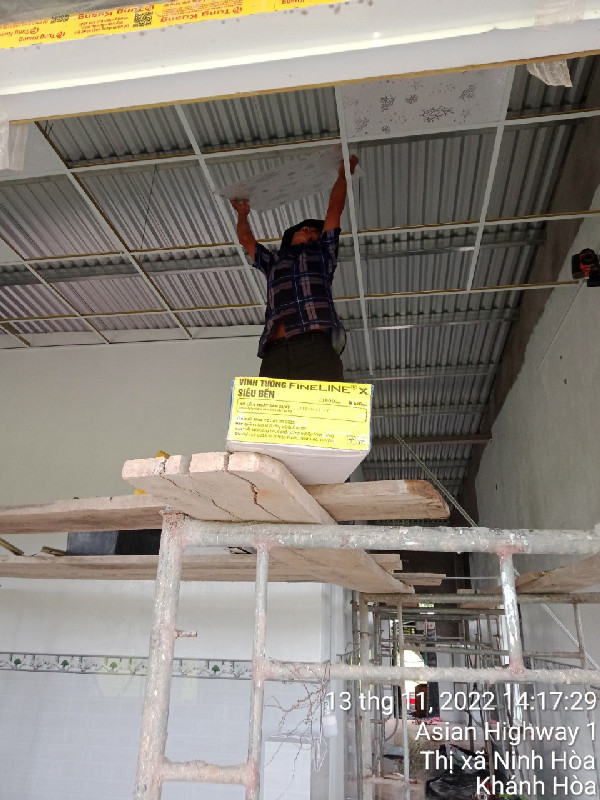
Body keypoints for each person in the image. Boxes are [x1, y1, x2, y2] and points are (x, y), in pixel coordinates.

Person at [230, 155, 359, 381]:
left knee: (323, 403)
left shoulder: (323, 253)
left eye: (314, 231)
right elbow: (245, 239)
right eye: (304, 228)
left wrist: (344, 173)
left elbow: (334, 209)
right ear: (290, 238)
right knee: (272, 406)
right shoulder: (273, 261)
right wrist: (242, 213)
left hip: (315, 347)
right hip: (275, 353)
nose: (307, 230)